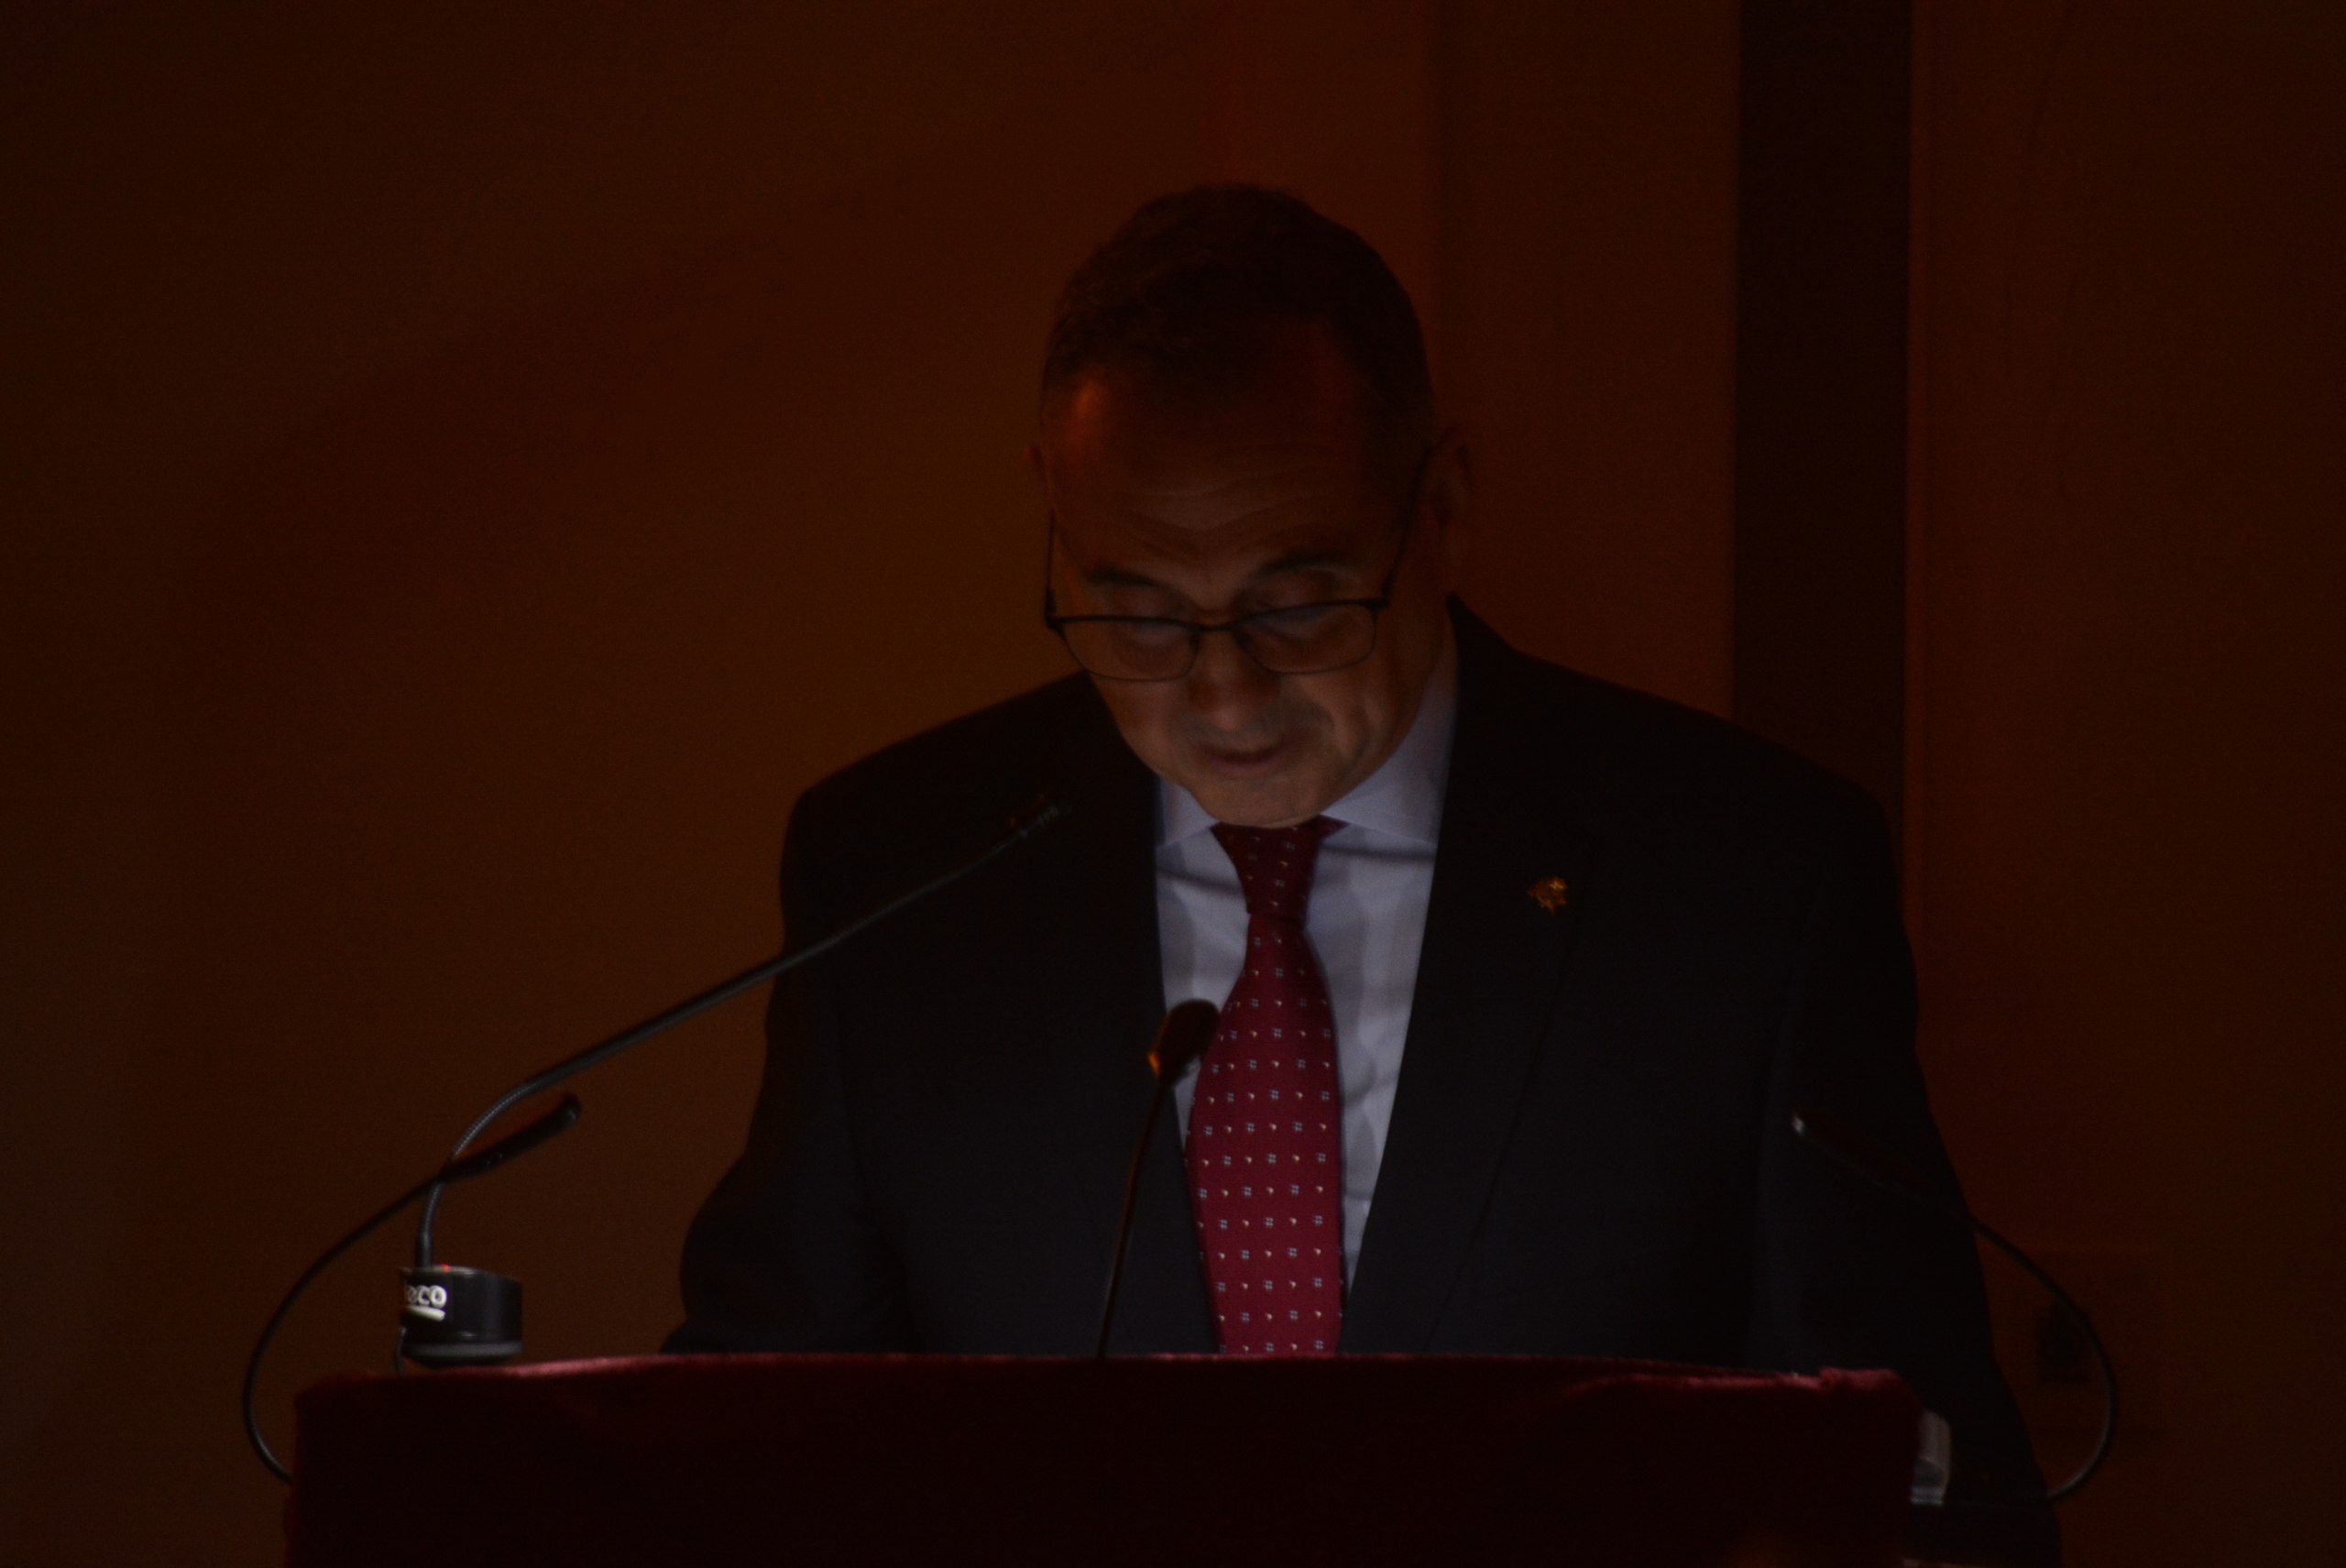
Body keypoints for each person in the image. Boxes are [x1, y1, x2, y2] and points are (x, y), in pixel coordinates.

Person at [670, 185, 2039, 1494]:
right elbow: (752, 1444)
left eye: (1297, 606)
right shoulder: (898, 879)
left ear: (1442, 508)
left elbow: (1922, 1477)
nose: (1223, 696)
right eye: (1139, 613)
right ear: (1054, 514)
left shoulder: (1747, 882)